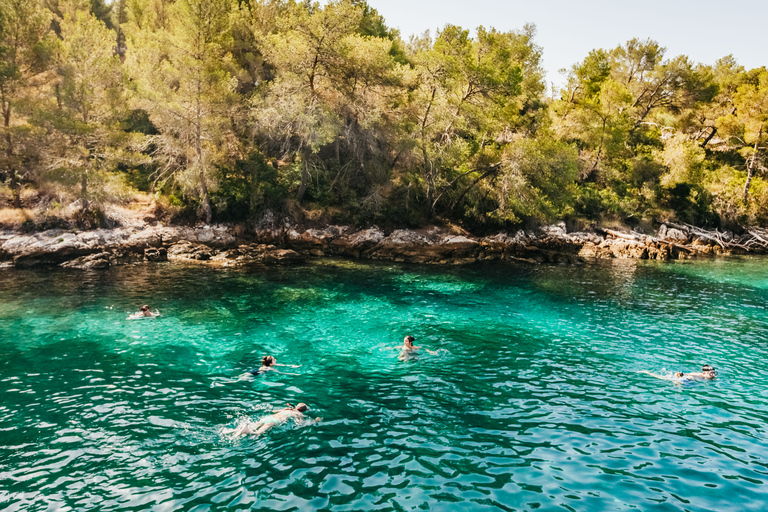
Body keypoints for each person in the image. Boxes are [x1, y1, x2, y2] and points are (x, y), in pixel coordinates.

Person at [230, 403, 317, 436]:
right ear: (304, 410)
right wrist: (315, 421)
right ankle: (246, 430)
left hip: (269, 417)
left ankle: (233, 430)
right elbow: (300, 424)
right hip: (274, 421)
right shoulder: (299, 414)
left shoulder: (287, 409)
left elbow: (274, 410)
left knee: (254, 425)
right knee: (258, 433)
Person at [639, 365, 717, 383]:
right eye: (711, 373)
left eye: (714, 373)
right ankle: (647, 372)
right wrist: (681, 374)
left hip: (689, 382)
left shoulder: (711, 378)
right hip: (685, 380)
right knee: (663, 378)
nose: (713, 375)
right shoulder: (700, 375)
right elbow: (689, 374)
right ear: (704, 373)